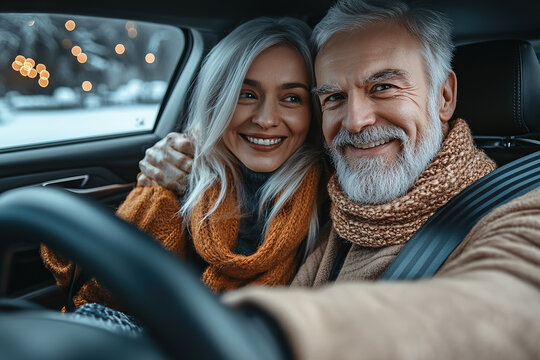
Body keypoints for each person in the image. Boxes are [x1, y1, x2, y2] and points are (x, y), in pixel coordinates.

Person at [139, 0, 540, 358]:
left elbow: (512, 300)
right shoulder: (342, 200)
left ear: (444, 97)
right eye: (333, 97)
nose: (355, 121)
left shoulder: (517, 209)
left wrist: (269, 335)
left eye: (383, 87)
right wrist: (182, 154)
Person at [40, 16, 327, 310]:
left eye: (292, 98)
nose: (266, 119)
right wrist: (153, 188)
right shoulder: (178, 171)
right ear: (218, 98)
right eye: (246, 94)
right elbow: (112, 282)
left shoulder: (330, 198)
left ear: (313, 111)